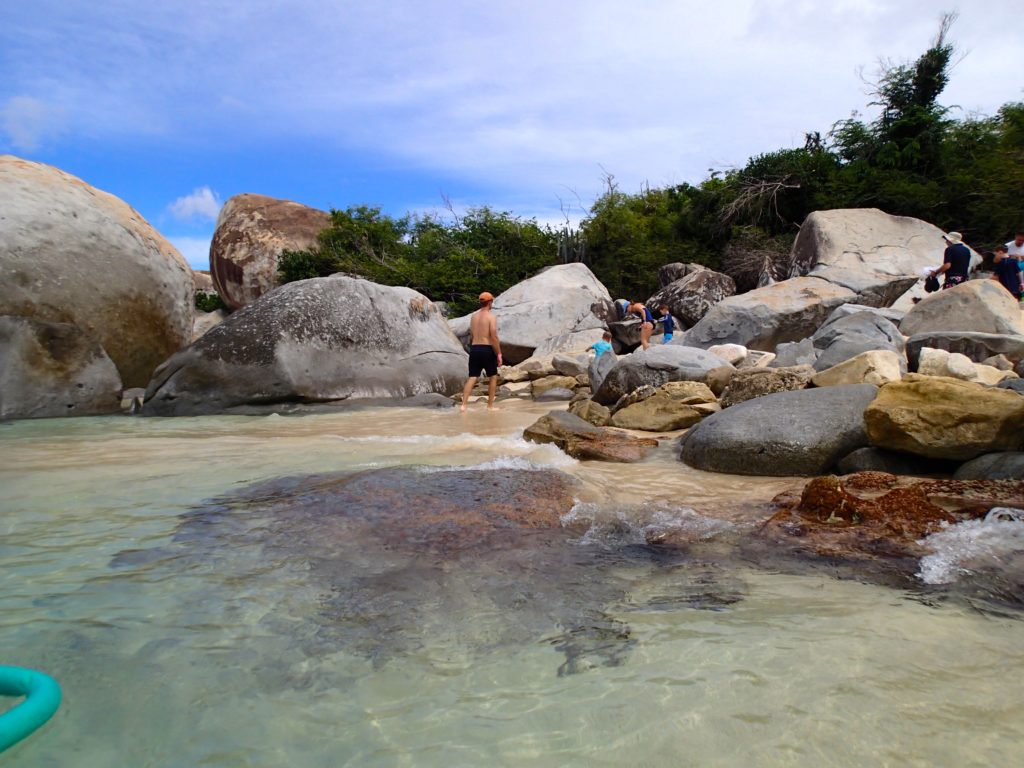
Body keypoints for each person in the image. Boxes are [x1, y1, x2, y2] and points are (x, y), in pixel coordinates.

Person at [460, 291, 502, 412]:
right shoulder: (491, 317)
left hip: (475, 349)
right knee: (493, 377)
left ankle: (463, 405)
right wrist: (498, 353)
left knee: (472, 377)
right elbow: (493, 336)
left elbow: (472, 336)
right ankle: (490, 406)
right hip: (486, 349)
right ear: (490, 302)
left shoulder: (474, 316)